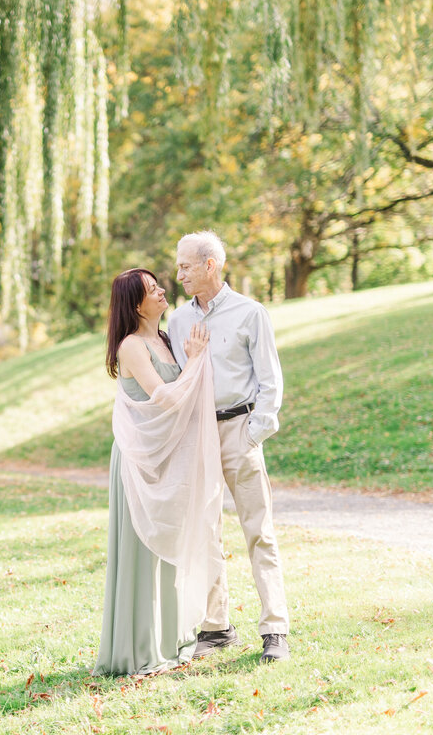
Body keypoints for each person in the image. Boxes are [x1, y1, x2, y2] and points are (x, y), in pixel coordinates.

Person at [167, 230, 291, 663]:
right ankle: (216, 626)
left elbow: (270, 379)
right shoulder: (179, 322)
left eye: (185, 266)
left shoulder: (250, 313)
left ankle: (275, 627)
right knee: (205, 532)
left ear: (209, 266)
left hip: (240, 428)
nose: (178, 273)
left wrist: (253, 432)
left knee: (259, 530)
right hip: (198, 435)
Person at [95, 268, 225, 676]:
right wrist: (198, 360)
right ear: (136, 304)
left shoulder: (165, 339)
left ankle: (170, 640)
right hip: (139, 462)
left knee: (168, 542)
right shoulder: (132, 346)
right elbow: (166, 398)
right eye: (153, 290)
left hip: (165, 459)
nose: (163, 290)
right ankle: (138, 649)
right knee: (141, 552)